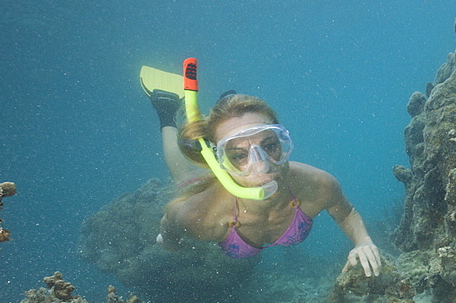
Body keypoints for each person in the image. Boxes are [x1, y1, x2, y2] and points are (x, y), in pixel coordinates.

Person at [149, 89, 381, 276]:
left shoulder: (318, 185)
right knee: (184, 177)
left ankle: (227, 106)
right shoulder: (200, 215)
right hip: (208, 191)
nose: (263, 166)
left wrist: (363, 241)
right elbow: (170, 220)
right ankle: (166, 111)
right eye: (239, 155)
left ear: (283, 142)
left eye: (270, 146)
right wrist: (168, 240)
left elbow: (346, 213)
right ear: (221, 161)